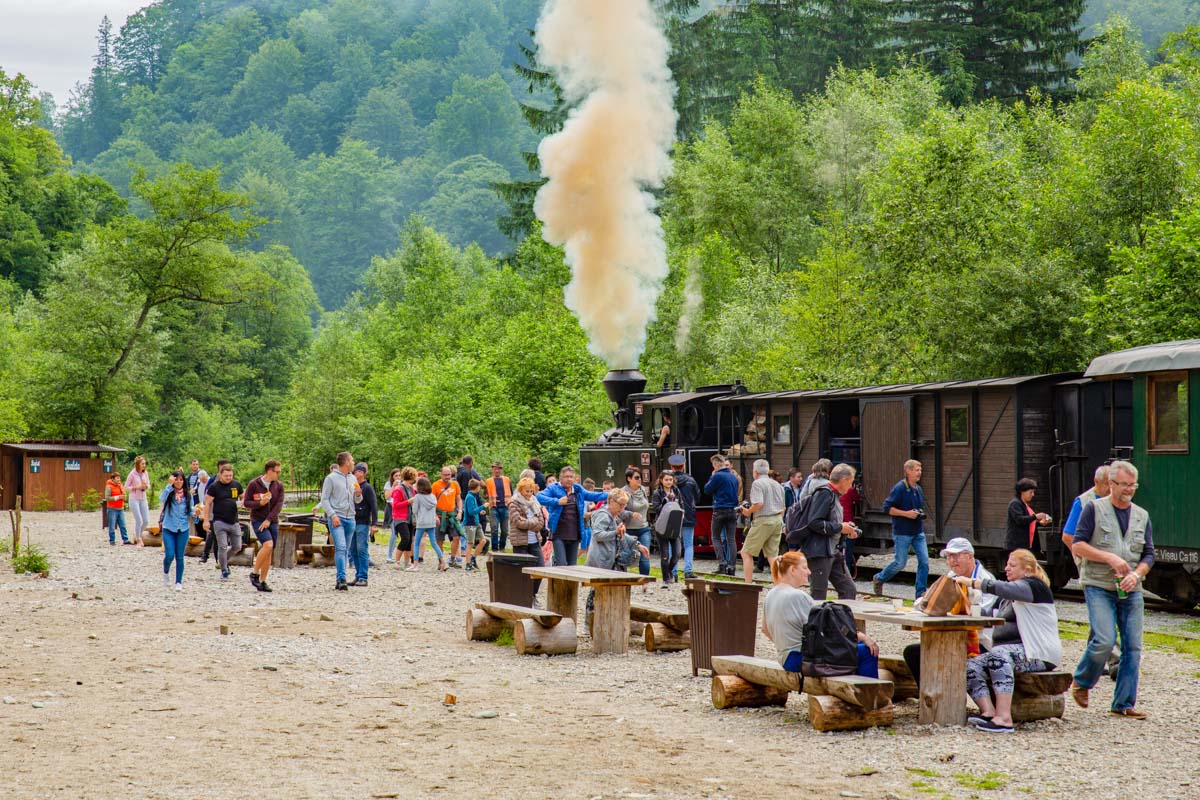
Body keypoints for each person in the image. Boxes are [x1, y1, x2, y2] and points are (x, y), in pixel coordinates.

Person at [1070, 460, 1154, 719]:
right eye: (1124, 484)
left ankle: (1123, 704)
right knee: (1104, 639)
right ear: (1111, 484)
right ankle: (1082, 682)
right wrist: (1109, 558)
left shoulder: (1142, 515)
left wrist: (1137, 574)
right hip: (1099, 585)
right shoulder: (1093, 509)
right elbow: (1077, 545)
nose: (1129, 489)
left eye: (1133, 485)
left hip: (1131, 589)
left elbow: (1149, 554)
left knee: (1133, 648)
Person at [954, 549, 1062, 732]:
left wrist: (972, 582)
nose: (1006, 569)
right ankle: (988, 711)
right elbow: (990, 614)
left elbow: (1003, 587)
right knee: (969, 665)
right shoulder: (1006, 597)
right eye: (1007, 565)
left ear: (1027, 570)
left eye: (1012, 565)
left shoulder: (1034, 586)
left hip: (1038, 653)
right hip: (1013, 652)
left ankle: (1004, 718)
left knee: (998, 655)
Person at [762, 551, 879, 677]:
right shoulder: (798, 596)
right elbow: (829, 626)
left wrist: (784, 644)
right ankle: (868, 689)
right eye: (804, 568)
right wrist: (863, 637)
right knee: (866, 651)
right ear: (792, 570)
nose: (809, 572)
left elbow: (765, 629)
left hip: (785, 659)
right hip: (802, 659)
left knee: (855, 647)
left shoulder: (771, 594)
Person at [902, 538, 997, 685]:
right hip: (953, 638)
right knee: (914, 652)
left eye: (956, 555)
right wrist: (927, 604)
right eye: (949, 556)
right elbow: (928, 600)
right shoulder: (951, 576)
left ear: (970, 556)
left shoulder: (985, 580)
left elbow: (978, 614)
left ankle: (945, 693)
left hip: (980, 644)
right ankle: (930, 695)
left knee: (927, 654)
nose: (952, 560)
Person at [791, 463, 859, 600]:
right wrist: (840, 527)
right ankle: (814, 614)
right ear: (843, 480)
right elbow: (814, 522)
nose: (851, 487)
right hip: (819, 552)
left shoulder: (834, 495)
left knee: (849, 589)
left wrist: (846, 529)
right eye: (850, 482)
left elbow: (830, 522)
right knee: (819, 594)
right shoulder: (824, 494)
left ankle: (840, 613)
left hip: (833, 550)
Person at [584, 489, 651, 626]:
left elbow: (622, 534)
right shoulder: (603, 515)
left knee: (610, 592)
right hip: (601, 561)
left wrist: (638, 545)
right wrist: (615, 532)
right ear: (610, 501)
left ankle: (608, 622)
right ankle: (589, 624)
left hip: (611, 561)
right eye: (620, 504)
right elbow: (597, 535)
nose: (622, 508)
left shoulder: (615, 516)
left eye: (624, 505)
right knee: (596, 593)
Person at [872, 459, 930, 598]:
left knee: (924, 561)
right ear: (908, 471)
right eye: (916, 470)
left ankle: (920, 593)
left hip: (918, 532)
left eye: (920, 470)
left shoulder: (918, 489)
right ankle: (879, 578)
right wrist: (906, 514)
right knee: (900, 563)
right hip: (902, 532)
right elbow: (887, 508)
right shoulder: (899, 488)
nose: (919, 473)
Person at [538, 466, 609, 567]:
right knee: (561, 564)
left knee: (572, 566)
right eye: (566, 477)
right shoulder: (554, 488)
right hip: (558, 533)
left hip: (574, 534)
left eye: (571, 477)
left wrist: (611, 494)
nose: (569, 479)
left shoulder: (578, 489)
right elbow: (539, 497)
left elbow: (593, 495)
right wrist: (557, 501)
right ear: (561, 478)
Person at [738, 459, 785, 583]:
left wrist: (748, 511)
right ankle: (779, 585)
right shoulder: (777, 485)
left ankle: (748, 584)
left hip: (763, 520)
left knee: (746, 553)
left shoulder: (757, 483)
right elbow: (783, 507)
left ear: (755, 472)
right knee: (773, 556)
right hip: (777, 519)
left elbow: (759, 503)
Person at [320, 452, 360, 590]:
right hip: (337, 518)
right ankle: (342, 578)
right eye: (352, 460)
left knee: (345, 549)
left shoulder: (352, 478)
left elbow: (356, 500)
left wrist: (358, 494)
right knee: (341, 547)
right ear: (346, 462)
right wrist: (332, 515)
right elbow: (324, 499)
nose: (354, 463)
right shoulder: (331, 478)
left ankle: (340, 579)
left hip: (351, 518)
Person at [243, 460, 284, 592]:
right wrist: (260, 504)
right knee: (268, 545)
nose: (278, 474)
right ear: (269, 471)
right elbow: (246, 503)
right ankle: (254, 573)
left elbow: (278, 505)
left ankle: (262, 581)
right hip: (258, 519)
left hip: (272, 521)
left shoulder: (279, 486)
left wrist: (269, 519)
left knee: (269, 550)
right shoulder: (254, 484)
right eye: (277, 472)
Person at [203, 463, 244, 581]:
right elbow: (207, 503)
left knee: (237, 546)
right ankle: (224, 570)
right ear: (220, 475)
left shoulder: (236, 485)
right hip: (219, 521)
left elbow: (243, 496)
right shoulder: (214, 487)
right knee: (222, 546)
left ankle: (223, 561)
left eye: (230, 475)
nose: (228, 478)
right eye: (226, 476)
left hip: (234, 520)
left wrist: (242, 502)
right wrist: (206, 520)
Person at [509, 477, 547, 599]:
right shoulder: (514, 503)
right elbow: (518, 522)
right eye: (527, 491)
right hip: (520, 542)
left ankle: (532, 595)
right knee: (522, 571)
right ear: (520, 490)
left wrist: (530, 522)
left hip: (534, 541)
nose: (529, 494)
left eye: (531, 491)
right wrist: (533, 522)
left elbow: (541, 522)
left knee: (540, 568)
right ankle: (522, 597)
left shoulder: (535, 502)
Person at [704, 454, 740, 576]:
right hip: (732, 510)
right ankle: (732, 567)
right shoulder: (733, 477)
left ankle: (722, 564)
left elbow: (707, 489)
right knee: (731, 539)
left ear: (715, 464)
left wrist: (712, 476)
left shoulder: (717, 476)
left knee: (716, 537)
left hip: (719, 509)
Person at [158, 470, 192, 591]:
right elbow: (161, 499)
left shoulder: (188, 495)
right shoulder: (169, 493)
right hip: (169, 527)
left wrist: (196, 514)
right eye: (176, 479)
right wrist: (169, 485)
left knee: (180, 556)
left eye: (181, 480)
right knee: (169, 555)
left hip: (183, 528)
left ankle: (178, 581)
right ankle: (166, 572)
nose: (178, 482)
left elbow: (191, 512)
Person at [667, 454, 700, 580]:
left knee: (672, 544)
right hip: (688, 515)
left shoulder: (667, 481)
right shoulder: (691, 480)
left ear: (671, 466)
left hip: (672, 516)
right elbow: (697, 497)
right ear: (683, 466)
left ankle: (673, 572)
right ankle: (688, 571)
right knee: (689, 545)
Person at [649, 471, 682, 586]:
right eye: (666, 480)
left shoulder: (676, 491)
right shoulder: (657, 493)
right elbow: (656, 508)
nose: (668, 482)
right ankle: (665, 579)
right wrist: (666, 500)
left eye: (670, 480)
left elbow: (681, 505)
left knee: (677, 553)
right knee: (665, 554)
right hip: (662, 525)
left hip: (675, 524)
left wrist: (682, 512)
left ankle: (669, 571)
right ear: (661, 480)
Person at [1005, 478, 1051, 559]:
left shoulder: (1024, 505)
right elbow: (1020, 520)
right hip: (1016, 545)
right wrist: (1035, 516)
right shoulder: (1015, 504)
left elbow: (1029, 522)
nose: (1033, 495)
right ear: (1022, 492)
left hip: (1025, 545)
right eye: (1030, 492)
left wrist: (1040, 523)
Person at [410, 476, 447, 572]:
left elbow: (414, 510)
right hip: (431, 522)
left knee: (416, 543)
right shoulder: (433, 497)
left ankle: (415, 565)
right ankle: (443, 562)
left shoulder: (418, 497)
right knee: (434, 543)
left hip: (421, 522)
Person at [621, 468, 653, 580]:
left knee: (645, 555)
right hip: (628, 530)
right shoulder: (623, 492)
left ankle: (645, 582)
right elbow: (619, 512)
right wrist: (631, 514)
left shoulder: (642, 489)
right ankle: (622, 580)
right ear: (629, 479)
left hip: (643, 528)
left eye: (640, 477)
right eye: (637, 477)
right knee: (625, 556)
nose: (640, 480)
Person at [432, 466, 465, 567]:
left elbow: (459, 499)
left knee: (456, 537)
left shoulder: (455, 484)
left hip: (452, 516)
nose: (447, 477)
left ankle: (452, 559)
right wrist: (434, 516)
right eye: (445, 475)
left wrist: (460, 511)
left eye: (449, 475)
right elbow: (432, 502)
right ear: (441, 474)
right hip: (439, 516)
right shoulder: (435, 485)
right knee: (439, 540)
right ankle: (441, 561)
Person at [350, 463, 377, 587]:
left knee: (362, 549)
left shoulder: (367, 488)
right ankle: (358, 574)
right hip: (352, 520)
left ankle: (363, 576)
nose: (357, 474)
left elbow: (373, 506)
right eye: (356, 471)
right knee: (353, 550)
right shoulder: (351, 486)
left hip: (363, 521)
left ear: (364, 473)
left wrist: (374, 523)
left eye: (360, 472)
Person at [200, 460, 229, 564]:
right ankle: (210, 556)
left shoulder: (230, 480)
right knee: (214, 534)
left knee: (216, 535)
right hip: (213, 511)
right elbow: (206, 495)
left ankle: (212, 557)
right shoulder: (212, 480)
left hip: (225, 513)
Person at [389, 467, 417, 567]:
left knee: (409, 540)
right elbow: (395, 505)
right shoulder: (398, 489)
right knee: (405, 538)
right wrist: (408, 501)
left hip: (409, 517)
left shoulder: (411, 489)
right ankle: (396, 561)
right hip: (400, 517)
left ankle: (406, 563)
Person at [484, 462, 512, 553]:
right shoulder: (488, 481)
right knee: (494, 528)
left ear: (501, 470)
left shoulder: (507, 479)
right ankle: (495, 549)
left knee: (505, 530)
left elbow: (511, 492)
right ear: (492, 469)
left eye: (499, 468)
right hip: (493, 507)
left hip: (505, 506)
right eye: (495, 468)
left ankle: (502, 547)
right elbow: (485, 494)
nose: (497, 470)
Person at [838, 478, 862, 578]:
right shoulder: (850, 490)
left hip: (837, 522)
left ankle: (838, 573)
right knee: (847, 549)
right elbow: (857, 499)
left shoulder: (835, 489)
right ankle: (846, 573)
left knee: (838, 549)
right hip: (848, 522)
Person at [125, 456, 151, 547]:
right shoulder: (132, 474)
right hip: (134, 498)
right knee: (139, 520)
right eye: (142, 464)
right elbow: (126, 487)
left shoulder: (145, 473)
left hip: (143, 498)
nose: (144, 465)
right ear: (138, 464)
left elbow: (148, 485)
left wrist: (146, 486)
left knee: (146, 521)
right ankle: (139, 540)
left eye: (145, 464)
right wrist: (136, 487)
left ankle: (137, 535)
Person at [463, 479, 488, 572]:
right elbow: (471, 511)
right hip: (470, 524)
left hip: (476, 523)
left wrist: (480, 512)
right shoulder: (470, 497)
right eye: (479, 487)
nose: (480, 489)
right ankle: (468, 563)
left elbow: (474, 509)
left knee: (483, 541)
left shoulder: (473, 496)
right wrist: (483, 506)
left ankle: (473, 558)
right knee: (470, 543)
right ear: (476, 487)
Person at [104, 471, 130, 546]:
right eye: (117, 478)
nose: (119, 479)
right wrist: (118, 497)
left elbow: (124, 494)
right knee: (112, 526)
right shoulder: (109, 486)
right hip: (112, 509)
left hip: (120, 508)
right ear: (113, 479)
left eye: (119, 478)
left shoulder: (120, 485)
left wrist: (124, 497)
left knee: (123, 525)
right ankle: (112, 540)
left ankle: (125, 539)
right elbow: (107, 498)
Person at [382, 468, 400, 548]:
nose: (398, 477)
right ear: (392, 477)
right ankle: (390, 553)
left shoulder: (402, 484)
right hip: (391, 509)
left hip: (399, 509)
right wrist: (393, 486)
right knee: (394, 533)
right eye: (396, 476)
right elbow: (387, 497)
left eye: (399, 475)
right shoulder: (388, 484)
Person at [191, 469, 209, 546]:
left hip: (207, 505)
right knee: (198, 520)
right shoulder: (199, 482)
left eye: (204, 479)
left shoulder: (210, 482)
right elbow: (194, 490)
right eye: (201, 480)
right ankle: (199, 536)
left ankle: (205, 538)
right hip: (200, 504)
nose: (203, 481)